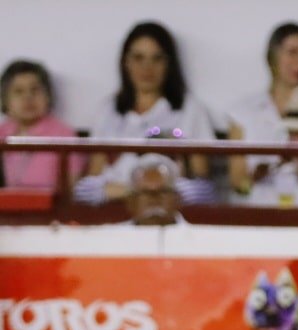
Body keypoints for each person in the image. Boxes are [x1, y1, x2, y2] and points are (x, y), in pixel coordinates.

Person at [74, 21, 215, 206]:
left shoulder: (190, 109)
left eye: (157, 59)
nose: (147, 68)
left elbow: (202, 184)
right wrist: (135, 190)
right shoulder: (108, 110)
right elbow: (92, 180)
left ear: (169, 64)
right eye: (138, 58)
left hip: (168, 203)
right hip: (116, 203)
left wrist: (155, 191)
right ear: (126, 62)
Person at [225, 22, 298, 197]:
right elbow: (238, 184)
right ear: (273, 57)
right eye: (292, 52)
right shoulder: (243, 111)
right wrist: (256, 179)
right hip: (258, 206)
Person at [0, 59, 84, 190]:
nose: (28, 97)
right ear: (6, 100)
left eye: (35, 90)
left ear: (48, 96)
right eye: (18, 91)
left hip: (51, 202)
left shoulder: (64, 134)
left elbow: (72, 186)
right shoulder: (2, 132)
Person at [123, 153, 185, 225]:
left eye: (162, 191)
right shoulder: (115, 232)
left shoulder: (196, 232)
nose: (154, 200)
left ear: (177, 199)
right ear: (131, 202)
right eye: (146, 192)